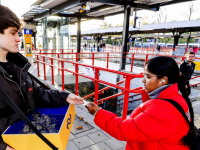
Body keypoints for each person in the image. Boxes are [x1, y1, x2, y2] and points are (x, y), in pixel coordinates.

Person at [0, 5, 84, 150]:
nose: (18, 39)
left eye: (18, 33)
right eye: (13, 33)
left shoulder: (17, 65)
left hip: (30, 139)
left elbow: (35, 93)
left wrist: (64, 97)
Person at [86, 56, 193, 150]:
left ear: (163, 80)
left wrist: (98, 112)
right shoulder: (174, 97)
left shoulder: (161, 109)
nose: (143, 80)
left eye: (148, 76)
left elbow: (123, 130)